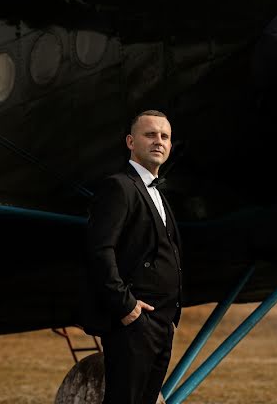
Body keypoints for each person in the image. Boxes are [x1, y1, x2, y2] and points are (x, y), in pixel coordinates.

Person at [85, 110, 183, 404]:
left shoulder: (158, 193)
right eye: (150, 134)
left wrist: (171, 317)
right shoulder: (119, 186)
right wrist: (125, 306)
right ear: (130, 141)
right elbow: (99, 249)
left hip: (163, 323)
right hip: (134, 322)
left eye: (164, 137)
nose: (159, 142)